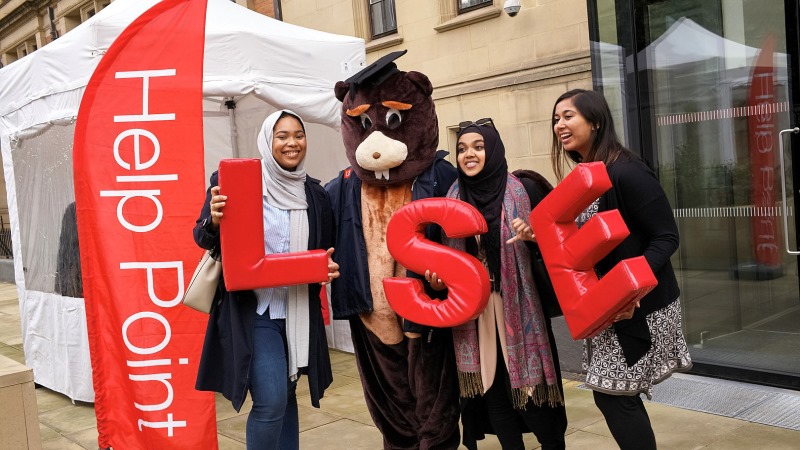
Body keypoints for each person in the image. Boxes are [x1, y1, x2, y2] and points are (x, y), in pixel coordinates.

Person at [550, 89, 692, 449]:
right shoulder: (587, 176)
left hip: (642, 306)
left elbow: (665, 237)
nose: (559, 124)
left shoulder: (627, 171)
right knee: (614, 395)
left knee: (615, 397)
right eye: (556, 118)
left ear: (595, 121)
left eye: (568, 116)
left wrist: (628, 291)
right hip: (610, 308)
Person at [192, 110, 339, 450]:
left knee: (286, 395)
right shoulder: (236, 184)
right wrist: (213, 222)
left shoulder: (315, 195)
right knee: (271, 400)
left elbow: (324, 252)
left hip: (297, 310)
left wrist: (327, 269)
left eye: (299, 135)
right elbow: (202, 237)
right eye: (282, 135)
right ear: (267, 140)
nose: (292, 143)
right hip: (255, 313)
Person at [426, 119, 567, 450]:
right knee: (494, 394)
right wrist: (437, 282)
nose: (469, 154)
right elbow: (447, 260)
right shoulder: (453, 198)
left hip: (518, 307)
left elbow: (558, 249)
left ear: (493, 150)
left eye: (478, 147)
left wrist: (533, 239)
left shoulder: (522, 191)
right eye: (462, 149)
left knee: (532, 398)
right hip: (475, 314)